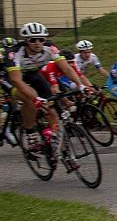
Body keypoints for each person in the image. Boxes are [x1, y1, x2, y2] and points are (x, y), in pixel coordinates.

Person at [6, 22, 85, 151]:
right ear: (26, 41)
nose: (38, 43)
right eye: (33, 40)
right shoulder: (15, 53)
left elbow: (66, 68)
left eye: (41, 39)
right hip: (15, 79)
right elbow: (16, 80)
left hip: (35, 75)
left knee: (51, 110)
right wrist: (36, 99)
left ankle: (62, 150)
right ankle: (30, 132)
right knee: (30, 100)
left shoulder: (50, 47)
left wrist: (80, 85)